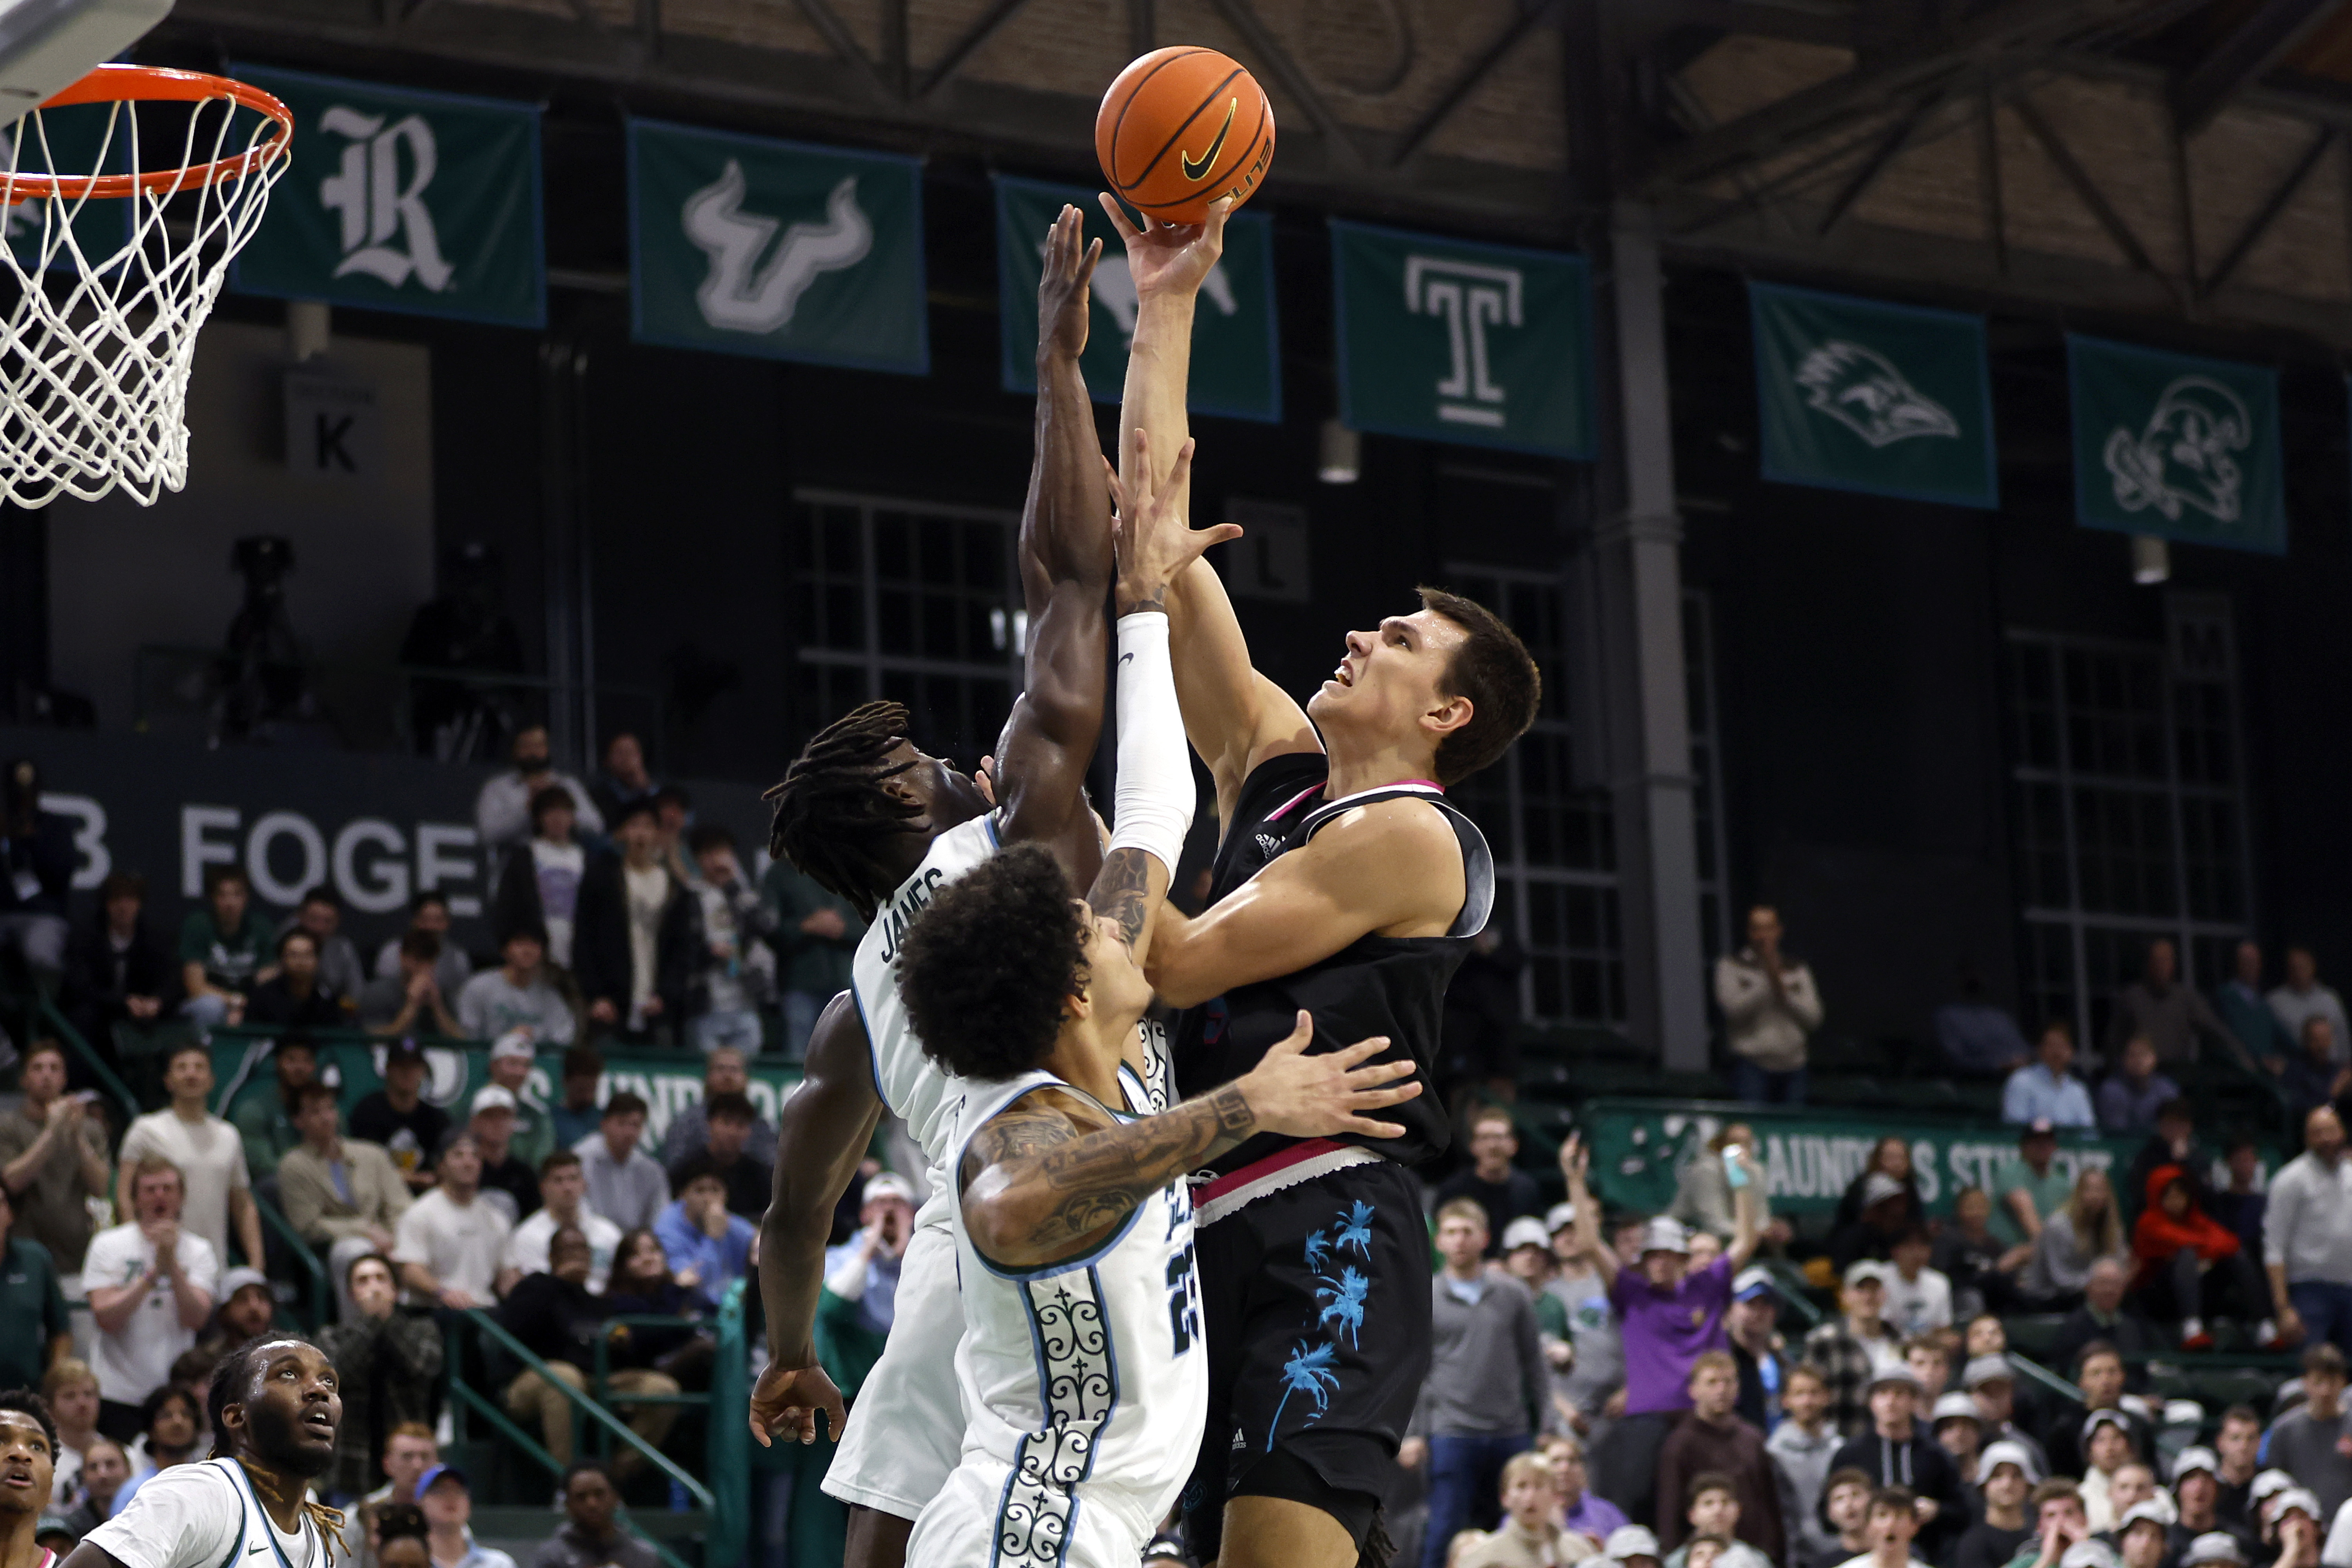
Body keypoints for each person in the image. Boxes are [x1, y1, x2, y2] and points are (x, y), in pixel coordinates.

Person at [1098, 197, 1539, 1568]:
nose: (1360, 632)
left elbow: (1167, 964)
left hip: (1326, 1225)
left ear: (1447, 716)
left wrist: (1087, 838)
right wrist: (1165, 298)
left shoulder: (1413, 837)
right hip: (1189, 1221)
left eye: (1400, 638)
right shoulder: (1282, 764)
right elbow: (1150, 527)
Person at [892, 471, 1440, 1568]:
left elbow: (1151, 807)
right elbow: (1008, 1203)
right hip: (1022, 1534)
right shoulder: (1026, 1119)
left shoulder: (1127, 1078)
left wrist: (1144, 600)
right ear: (1071, 996)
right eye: (1097, 938)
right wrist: (1247, 1105)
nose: (1125, 930)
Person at [744, 207, 1166, 1568]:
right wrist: (1057, 360)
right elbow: (1064, 578)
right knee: (1084, 1494)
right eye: (915, 754)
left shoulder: (857, 1002)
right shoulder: (1021, 828)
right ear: (888, 798)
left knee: (892, 1527)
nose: (945, 751)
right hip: (1069, 1191)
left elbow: (797, 1213)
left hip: (956, 1231)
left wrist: (792, 1357)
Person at [1565, 1135, 1761, 1526]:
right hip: (1647, 1420)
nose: (1660, 1263)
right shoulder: (1631, 1292)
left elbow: (1747, 1238)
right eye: (1653, 1256)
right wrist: (1574, 1178)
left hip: (1702, 1418)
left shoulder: (1706, 1286)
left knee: (1710, 1507)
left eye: (1668, 1255)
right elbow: (1589, 1243)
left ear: (1683, 1259)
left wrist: (1741, 1179)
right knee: (1636, 1505)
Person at [71, 1336, 348, 1568]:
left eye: (329, 1381)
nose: (319, 1390)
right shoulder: (203, 1494)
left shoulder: (317, 1539)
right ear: (237, 1416)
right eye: (289, 1374)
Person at [1402, 1201, 1551, 1567]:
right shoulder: (1426, 1295)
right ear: (1439, 1241)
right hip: (1452, 1431)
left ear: (1484, 1238)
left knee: (1516, 1532)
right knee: (1444, 1533)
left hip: (1510, 1431)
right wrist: (1413, 1432)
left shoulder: (1513, 1293)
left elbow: (1535, 1362)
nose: (1459, 1241)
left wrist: (1547, 1423)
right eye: (1451, 1233)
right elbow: (1414, 1371)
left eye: (1467, 1232)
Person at [497, 1227, 679, 1473]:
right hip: (529, 1380)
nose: (577, 1255)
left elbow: (618, 1351)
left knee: (663, 1390)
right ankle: (568, 1485)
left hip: (593, 1379)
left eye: (583, 1249)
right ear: (552, 1257)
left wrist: (622, 1346)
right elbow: (516, 1330)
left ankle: (612, 1479)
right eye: (568, 1249)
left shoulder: (598, 1303)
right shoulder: (535, 1287)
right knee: (565, 1377)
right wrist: (558, 1281)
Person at [82, 1160, 216, 1441]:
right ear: (136, 1199)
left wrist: (173, 1266)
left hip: (175, 1395)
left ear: (181, 1197)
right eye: (150, 1189)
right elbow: (106, 1317)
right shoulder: (108, 1245)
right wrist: (154, 1273)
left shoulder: (199, 1250)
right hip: (118, 1390)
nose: (160, 1196)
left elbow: (196, 1318)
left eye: (168, 1188)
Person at [117, 1046, 262, 1274]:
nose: (191, 1074)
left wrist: (257, 1266)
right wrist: (133, 1251)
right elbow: (124, 1195)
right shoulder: (146, 1130)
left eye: (199, 1067)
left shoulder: (229, 1135)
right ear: (168, 1081)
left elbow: (243, 1204)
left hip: (213, 1264)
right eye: (182, 1068)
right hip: (157, 1263)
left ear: (212, 1081)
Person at [276, 1085, 410, 1323]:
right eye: (316, 1112)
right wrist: (365, 1230)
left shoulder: (372, 1154)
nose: (326, 1117)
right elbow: (307, 1225)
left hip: (388, 1239)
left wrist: (393, 1238)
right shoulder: (294, 1165)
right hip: (335, 1248)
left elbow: (402, 1206)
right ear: (299, 1120)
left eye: (330, 1109)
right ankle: (358, 1335)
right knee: (356, 1253)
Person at [316, 1258, 441, 1503]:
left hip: (409, 1466)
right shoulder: (331, 1337)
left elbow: (422, 1365)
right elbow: (339, 1374)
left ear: (395, 1291)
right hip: (351, 1467)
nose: (374, 1288)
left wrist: (387, 1321)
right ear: (352, 1295)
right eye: (363, 1281)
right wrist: (372, 1322)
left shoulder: (422, 1329)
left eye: (381, 1278)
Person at [573, 800, 697, 1045]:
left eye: (649, 826)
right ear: (621, 833)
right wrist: (596, 995)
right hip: (611, 1004)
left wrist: (667, 995)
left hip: (657, 1007)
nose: (641, 834)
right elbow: (585, 940)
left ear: (659, 834)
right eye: (634, 826)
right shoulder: (602, 880)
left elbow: (684, 949)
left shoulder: (675, 888)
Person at [1656, 1353, 1784, 1564]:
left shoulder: (1753, 1439)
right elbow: (1669, 1513)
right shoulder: (1679, 1445)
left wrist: (1773, 1554)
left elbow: (1771, 1506)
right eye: (1712, 1383)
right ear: (1694, 1390)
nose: (1721, 1390)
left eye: (1728, 1382)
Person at [1830, 1367, 1967, 1562]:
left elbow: (1962, 1513)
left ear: (1914, 1401)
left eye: (1900, 1394)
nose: (1891, 1402)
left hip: (1925, 1555)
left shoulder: (1935, 1455)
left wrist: (1937, 1510)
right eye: (1883, 1393)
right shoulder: (1850, 1455)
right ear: (1871, 1402)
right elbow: (1827, 1514)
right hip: (1861, 1556)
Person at [2131, 1163, 2274, 1348]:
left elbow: (2230, 1243)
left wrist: (2208, 1253)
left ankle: (2265, 1325)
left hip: (2201, 1292)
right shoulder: (2148, 1222)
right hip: (2158, 1297)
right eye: (2169, 1196)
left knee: (2238, 1255)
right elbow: (2181, 1241)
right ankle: (2192, 1327)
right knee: (2187, 1254)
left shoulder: (2196, 1220)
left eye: (2181, 1195)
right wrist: (2206, 1252)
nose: (2176, 1201)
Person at [0, 1043, 111, 1278]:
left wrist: (77, 1137)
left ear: (64, 1079)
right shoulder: (7, 1126)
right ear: (24, 1080)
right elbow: (12, 1181)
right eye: (37, 1069)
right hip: (22, 1254)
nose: (46, 1075)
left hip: (77, 1253)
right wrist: (52, 1130)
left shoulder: (89, 1129)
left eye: (54, 1069)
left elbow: (100, 1188)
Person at [761, 849, 865, 1061]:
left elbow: (874, 926)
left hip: (847, 984)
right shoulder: (779, 874)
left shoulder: (849, 871)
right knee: (800, 1059)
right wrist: (807, 927)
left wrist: (843, 929)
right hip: (800, 984)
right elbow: (769, 930)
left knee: (850, 1060)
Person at [391, 1135, 516, 1310]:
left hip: (485, 1310)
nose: (468, 1163)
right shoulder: (420, 1213)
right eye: (458, 1155)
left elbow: (507, 1274)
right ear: (441, 1166)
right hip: (436, 1309)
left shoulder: (496, 1218)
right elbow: (410, 1271)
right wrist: (444, 1293)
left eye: (475, 1156)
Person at [2265, 1107, 2352, 1354]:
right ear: (2306, 1139)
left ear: (2343, 1133)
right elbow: (2274, 1247)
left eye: (2331, 1131)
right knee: (2310, 1371)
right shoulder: (2290, 1179)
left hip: (2350, 1286)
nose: (2326, 1139)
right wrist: (2283, 1308)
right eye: (2318, 1133)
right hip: (2308, 1290)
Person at [683, 823, 777, 1054]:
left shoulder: (744, 895)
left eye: (722, 853)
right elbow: (680, 947)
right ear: (698, 859)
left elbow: (766, 928)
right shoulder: (689, 895)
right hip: (706, 1006)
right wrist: (709, 952)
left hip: (745, 1002)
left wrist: (733, 889)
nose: (717, 861)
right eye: (709, 854)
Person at [1715, 907, 1823, 1105]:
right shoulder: (1731, 966)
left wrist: (1786, 994)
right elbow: (1733, 1011)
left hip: (1794, 1067)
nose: (1763, 936)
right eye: (1757, 929)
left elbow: (1814, 1018)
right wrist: (1768, 981)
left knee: (1791, 1130)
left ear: (1779, 931)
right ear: (1749, 933)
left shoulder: (1797, 968)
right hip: (1752, 1066)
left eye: (1768, 929)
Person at [62, 873, 172, 1051]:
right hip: (99, 1009)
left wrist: (157, 1001)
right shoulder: (86, 936)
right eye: (117, 900)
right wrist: (123, 1002)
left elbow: (171, 980)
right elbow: (79, 985)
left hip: (142, 1012)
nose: (123, 907)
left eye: (130, 900)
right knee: (83, 1018)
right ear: (107, 904)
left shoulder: (154, 939)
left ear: (139, 904)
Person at [1544, 1203, 1624, 1443]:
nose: (1569, 1238)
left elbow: (1642, 1339)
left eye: (1576, 1230)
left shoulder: (1613, 1284)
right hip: (1567, 1413)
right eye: (1561, 1233)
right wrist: (1562, 1408)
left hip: (1617, 1405)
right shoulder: (1545, 1296)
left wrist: (1631, 1390)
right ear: (1552, 1242)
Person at [490, 786, 589, 972]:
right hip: (535, 953)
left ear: (573, 817)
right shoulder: (525, 856)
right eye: (551, 811)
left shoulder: (584, 858)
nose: (558, 818)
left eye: (564, 811)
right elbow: (507, 905)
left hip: (577, 952)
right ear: (539, 818)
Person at [1804, 1263, 1906, 1437]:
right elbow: (1810, 1395)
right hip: (1843, 1439)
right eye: (1861, 1289)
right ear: (1845, 1296)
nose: (1868, 1296)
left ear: (1885, 1295)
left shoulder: (1901, 1341)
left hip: (1892, 1441)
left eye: (1875, 1290)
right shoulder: (1824, 1341)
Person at [502, 1152, 621, 1295]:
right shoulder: (527, 1236)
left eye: (573, 1179)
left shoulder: (608, 1233)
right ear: (544, 1188)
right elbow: (537, 1289)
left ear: (584, 1184)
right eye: (558, 1181)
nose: (568, 1188)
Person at [475, 724, 603, 857]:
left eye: (538, 746)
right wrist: (527, 809)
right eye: (526, 746)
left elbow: (596, 826)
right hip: (516, 862)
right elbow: (487, 834)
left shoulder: (567, 785)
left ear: (547, 749)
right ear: (515, 750)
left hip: (563, 860)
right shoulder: (498, 788)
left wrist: (559, 807)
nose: (533, 753)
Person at [1436, 1108, 1543, 1255]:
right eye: (1485, 1138)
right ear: (1472, 1146)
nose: (1492, 1146)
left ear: (1514, 1145)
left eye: (1499, 1137)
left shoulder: (1527, 1189)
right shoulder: (1453, 1189)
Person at [176, 866, 272, 1031]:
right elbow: (196, 987)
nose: (230, 903)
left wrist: (248, 1008)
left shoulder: (261, 928)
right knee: (210, 1007)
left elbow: (267, 983)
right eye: (223, 895)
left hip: (249, 1003)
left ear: (246, 898)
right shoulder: (198, 925)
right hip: (207, 1003)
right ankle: (204, 1054)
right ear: (212, 898)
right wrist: (234, 1002)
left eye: (237, 895)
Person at [349, 1041, 451, 1195]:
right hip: (378, 1196)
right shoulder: (368, 1112)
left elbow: (445, 1170)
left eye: (414, 1067)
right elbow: (364, 1167)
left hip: (425, 1202)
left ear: (423, 1071)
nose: (407, 1073)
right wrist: (415, 1179)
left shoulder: (436, 1119)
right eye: (401, 1066)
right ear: (388, 1069)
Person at [2262, 1345, 2352, 1519]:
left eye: (2332, 1381)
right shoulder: (2284, 1430)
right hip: (2300, 1528)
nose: (2325, 1391)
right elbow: (2274, 1486)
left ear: (2343, 1382)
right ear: (2305, 1383)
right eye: (2319, 1382)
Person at [651, 1158, 753, 1312]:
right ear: (683, 1195)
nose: (708, 1199)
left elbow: (757, 1242)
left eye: (715, 1190)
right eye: (700, 1191)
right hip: (692, 1311)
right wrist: (713, 1238)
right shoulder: (667, 1229)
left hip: (734, 1309)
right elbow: (694, 1285)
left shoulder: (730, 1222)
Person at [1455, 1453, 1587, 1568]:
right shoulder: (1485, 1558)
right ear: (1505, 1497)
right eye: (1521, 1486)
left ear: (1555, 1495)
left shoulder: (1578, 1550)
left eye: (1539, 1486)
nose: (1530, 1496)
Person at [2043, 1345, 2152, 1481]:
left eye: (2112, 1372)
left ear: (2123, 1376)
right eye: (2096, 1373)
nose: (2106, 1381)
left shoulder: (2139, 1426)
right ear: (2082, 1381)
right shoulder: (2065, 1430)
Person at [656, 1047, 778, 1167]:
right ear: (708, 1077)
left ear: (746, 1078)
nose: (728, 1076)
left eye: (734, 1070)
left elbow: (773, 1168)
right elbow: (674, 1166)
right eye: (720, 1069)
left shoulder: (760, 1125)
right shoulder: (687, 1122)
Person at [0, 1183, 69, 1396]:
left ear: (10, 1214)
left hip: (27, 1395)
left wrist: (54, 1385)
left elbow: (61, 1332)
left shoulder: (35, 1259)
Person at [455, 927, 574, 1048]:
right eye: (520, 944)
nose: (527, 950)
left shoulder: (550, 996)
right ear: (504, 950)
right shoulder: (479, 987)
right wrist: (508, 1040)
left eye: (534, 944)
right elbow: (467, 1036)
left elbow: (563, 1038)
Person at [1771, 1365, 1842, 1564]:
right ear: (1785, 1401)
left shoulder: (1841, 1448)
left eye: (1814, 1393)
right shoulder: (1774, 1454)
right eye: (1799, 1394)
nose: (1807, 1401)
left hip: (1840, 1550)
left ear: (1827, 1397)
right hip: (1796, 1557)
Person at [2024, 1169, 2126, 1307]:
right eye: (2090, 1190)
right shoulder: (2058, 1226)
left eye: (2101, 1190)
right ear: (2078, 1193)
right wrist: (2100, 1281)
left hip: (2090, 1295)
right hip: (2050, 1297)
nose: (2096, 1196)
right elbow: (2061, 1280)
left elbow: (2120, 1264)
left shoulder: (2113, 1228)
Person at [2050, 1260, 2161, 1382]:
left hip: (2135, 1397)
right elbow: (2069, 1375)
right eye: (2103, 1283)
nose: (2109, 1290)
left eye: (2115, 1284)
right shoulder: (2074, 1327)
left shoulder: (2134, 1327)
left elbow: (2142, 1373)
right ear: (2089, 1287)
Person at [528, 1461, 656, 1568]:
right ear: (568, 1505)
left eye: (599, 1494)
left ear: (616, 1498)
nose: (592, 1504)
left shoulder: (642, 1556)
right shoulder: (551, 1557)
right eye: (581, 1497)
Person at [223, 1037, 316, 1181]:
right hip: (275, 1188)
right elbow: (263, 1166)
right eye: (291, 1060)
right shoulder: (254, 1110)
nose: (300, 1067)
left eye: (307, 1060)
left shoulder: (327, 1112)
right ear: (278, 1063)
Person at [573, 1093, 665, 1233]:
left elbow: (660, 1217)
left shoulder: (651, 1170)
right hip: (591, 1237)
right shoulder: (580, 1160)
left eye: (635, 1125)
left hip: (633, 1245)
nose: (629, 1132)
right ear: (604, 1125)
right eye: (621, 1123)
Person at [678, 1093, 769, 1221]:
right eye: (726, 1122)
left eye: (740, 1125)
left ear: (749, 1131)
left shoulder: (759, 1176)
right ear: (710, 1124)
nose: (732, 1132)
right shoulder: (686, 1171)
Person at [368, 893, 473, 1005]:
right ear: (415, 921)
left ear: (448, 922)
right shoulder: (391, 953)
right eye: (426, 919)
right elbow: (382, 995)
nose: (432, 927)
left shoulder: (459, 959)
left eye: (438, 920)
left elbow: (461, 1002)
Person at [112, 1386, 200, 1511]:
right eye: (166, 1416)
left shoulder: (208, 1483)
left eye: (186, 1414)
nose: (178, 1422)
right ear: (151, 1429)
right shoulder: (134, 1493)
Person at [361, 931, 462, 1039]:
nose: (425, 967)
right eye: (418, 960)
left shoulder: (441, 994)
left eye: (430, 961)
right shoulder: (379, 992)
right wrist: (412, 1004)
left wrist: (437, 1006)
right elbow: (372, 1037)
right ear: (403, 957)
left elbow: (460, 1038)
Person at [1991, 1122, 2074, 1252]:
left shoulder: (2062, 1184)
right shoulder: (2011, 1173)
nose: (2042, 1147)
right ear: (2024, 1146)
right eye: (2036, 1142)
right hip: (2006, 1253)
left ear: (2055, 1147)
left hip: (2042, 1256)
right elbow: (2030, 1223)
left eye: (2047, 1142)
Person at [1962, 1357, 2049, 1481]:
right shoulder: (1953, 1442)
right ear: (1968, 1395)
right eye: (1986, 1391)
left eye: (2001, 1391)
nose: (1994, 1399)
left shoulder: (2027, 1448)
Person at [1954, 1443, 2039, 1568]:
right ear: (1984, 1487)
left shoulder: (2040, 1536)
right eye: (1997, 1476)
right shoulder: (1973, 1544)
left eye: (2016, 1476)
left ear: (2028, 1486)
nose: (2007, 1484)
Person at [1725, 1269, 1788, 1430]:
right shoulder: (1724, 1359)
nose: (1758, 1312)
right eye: (1750, 1304)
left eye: (1766, 1304)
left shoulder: (1783, 1359)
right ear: (1731, 1309)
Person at [416, 1465, 514, 1568]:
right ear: (420, 1504)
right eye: (440, 1491)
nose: (451, 1497)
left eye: (458, 1491)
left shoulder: (498, 1564)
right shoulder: (408, 1564)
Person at [2216, 944, 2292, 1074]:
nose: (2253, 967)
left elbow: (2280, 1035)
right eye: (2247, 962)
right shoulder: (2226, 997)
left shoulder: (2262, 1002)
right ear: (2237, 964)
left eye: (2256, 962)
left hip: (2267, 1071)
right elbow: (2230, 1037)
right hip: (2240, 1072)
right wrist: (2258, 1059)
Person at [1937, 975, 2033, 1078]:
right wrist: (1998, 1065)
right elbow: (1956, 1059)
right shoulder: (1949, 1016)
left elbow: (2021, 1048)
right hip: (1978, 1080)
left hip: (2019, 1073)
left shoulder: (1998, 1016)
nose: (1975, 986)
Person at [1666, 1475, 1772, 1568]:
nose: (1718, 1510)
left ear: (1738, 1510)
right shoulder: (1675, 1563)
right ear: (1692, 1515)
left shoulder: (1755, 1560)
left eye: (1725, 1502)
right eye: (1708, 1503)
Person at [464, 1089, 537, 1223]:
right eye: (490, 1116)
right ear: (475, 1123)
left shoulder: (524, 1174)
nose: (498, 1123)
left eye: (504, 1116)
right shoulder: (465, 1170)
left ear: (514, 1123)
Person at [243, 931, 340, 1032]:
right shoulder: (262, 997)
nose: (301, 962)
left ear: (317, 960)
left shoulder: (327, 999)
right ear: (282, 960)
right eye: (293, 955)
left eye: (307, 955)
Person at [2004, 1025, 2096, 1129]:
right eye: (2051, 1045)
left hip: (2070, 1146)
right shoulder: (2021, 1081)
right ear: (2040, 1049)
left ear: (2072, 1051)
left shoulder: (2078, 1090)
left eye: (2062, 1046)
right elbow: (2014, 1127)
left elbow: (2089, 1133)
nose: (2057, 1052)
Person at [2270, 949, 2351, 1068]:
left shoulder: (2330, 999)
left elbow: (2343, 1038)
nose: (2299, 972)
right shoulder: (2275, 1002)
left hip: (2332, 1071)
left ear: (2313, 967)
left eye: (2303, 967)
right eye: (2294, 968)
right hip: (2293, 1073)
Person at [290, 888, 365, 1010]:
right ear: (300, 916)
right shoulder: (285, 940)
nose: (320, 928)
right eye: (314, 919)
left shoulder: (343, 949)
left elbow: (356, 996)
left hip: (331, 1018)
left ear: (338, 921)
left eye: (328, 921)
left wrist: (337, 1009)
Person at [2095, 1038, 2180, 1137]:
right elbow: (2117, 1132)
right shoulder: (2112, 1089)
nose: (2139, 1061)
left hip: (2158, 1147)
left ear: (2155, 1058)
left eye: (2144, 1055)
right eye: (2132, 1055)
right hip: (2122, 1147)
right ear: (2123, 1059)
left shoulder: (2167, 1089)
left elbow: (2174, 1128)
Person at [2283, 1018, 2352, 1128]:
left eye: (2325, 1039)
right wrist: (2333, 1092)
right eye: (2316, 1040)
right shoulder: (2295, 1071)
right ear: (2306, 1041)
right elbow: (2302, 1112)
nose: (2322, 1046)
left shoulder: (2336, 1069)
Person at [45, 1360, 96, 1506]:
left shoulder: (125, 1454)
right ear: (49, 1407)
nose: (82, 1403)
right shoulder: (43, 1459)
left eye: (89, 1394)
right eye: (70, 1396)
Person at [1884, 1230, 1952, 1338]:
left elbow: (1943, 1328)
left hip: (1927, 1347)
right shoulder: (1881, 1278)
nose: (1917, 1253)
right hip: (1890, 1344)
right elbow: (1881, 1324)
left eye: (1922, 1246)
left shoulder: (1940, 1282)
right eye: (1910, 1247)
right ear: (1895, 1251)